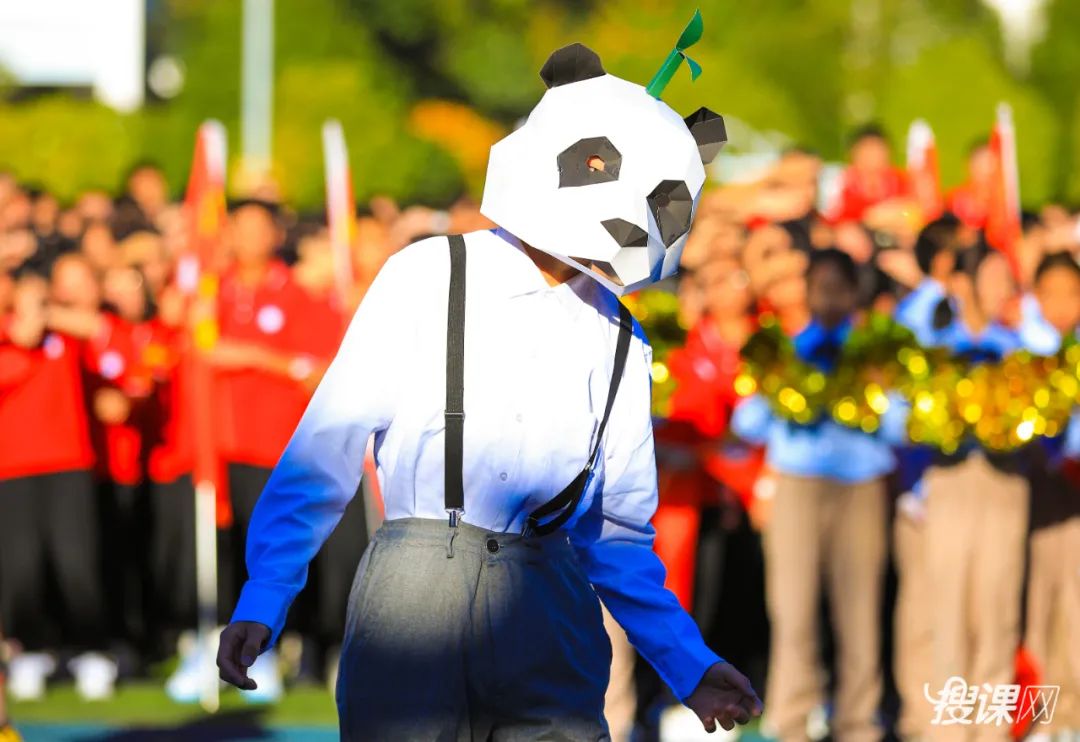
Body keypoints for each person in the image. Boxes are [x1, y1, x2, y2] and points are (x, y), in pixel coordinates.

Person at [217, 41, 761, 739]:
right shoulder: (428, 272)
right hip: (417, 589)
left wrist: (688, 663)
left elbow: (618, 533)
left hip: (549, 596)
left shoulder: (623, 337)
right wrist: (267, 593)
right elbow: (328, 445)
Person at [733, 248, 905, 742]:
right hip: (798, 489)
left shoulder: (875, 355)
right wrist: (774, 387)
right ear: (807, 293)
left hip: (861, 490)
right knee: (792, 608)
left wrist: (877, 390)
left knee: (859, 611)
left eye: (839, 288)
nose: (829, 298)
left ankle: (859, 722)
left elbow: (900, 427)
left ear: (854, 295)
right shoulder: (786, 349)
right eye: (820, 287)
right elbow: (746, 424)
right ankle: (791, 720)